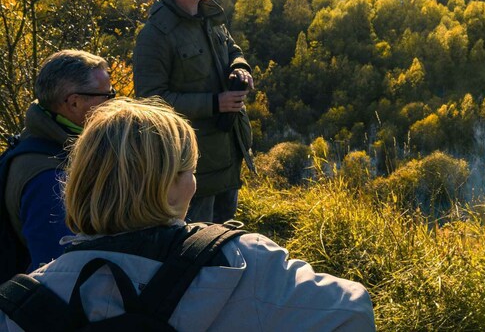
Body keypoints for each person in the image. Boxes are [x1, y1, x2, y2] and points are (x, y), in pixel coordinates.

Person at [0, 97, 375, 330]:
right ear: (171, 184)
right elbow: (354, 311)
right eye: (189, 170)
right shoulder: (246, 265)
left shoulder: (22, 305)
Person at [134, 0, 253, 224]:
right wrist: (215, 103)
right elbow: (151, 102)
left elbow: (233, 50)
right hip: (190, 169)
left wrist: (240, 69)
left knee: (225, 241)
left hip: (227, 157)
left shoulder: (210, 16)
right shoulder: (156, 35)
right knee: (195, 248)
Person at [2, 49, 113, 271]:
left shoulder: (42, 139)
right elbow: (60, 270)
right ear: (74, 103)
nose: (113, 105)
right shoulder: (51, 180)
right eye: (108, 96)